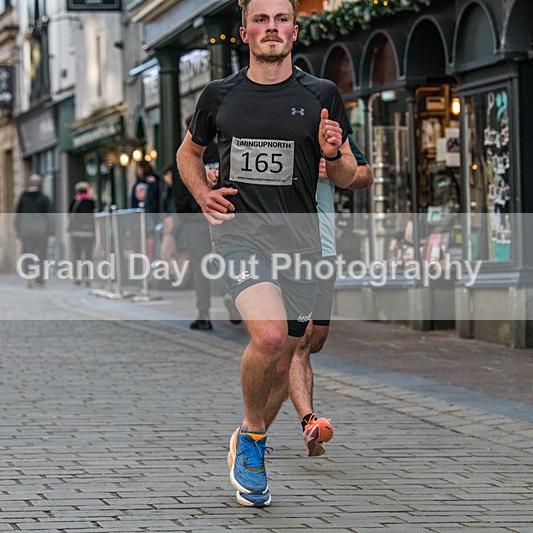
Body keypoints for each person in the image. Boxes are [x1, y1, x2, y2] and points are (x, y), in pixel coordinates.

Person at [176, 0, 357, 508]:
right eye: (261, 19)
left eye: (280, 19)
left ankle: (246, 437)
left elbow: (345, 177)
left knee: (283, 364)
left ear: (295, 31)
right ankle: (254, 445)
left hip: (300, 244)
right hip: (241, 237)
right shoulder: (220, 95)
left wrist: (333, 152)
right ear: (244, 32)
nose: (271, 28)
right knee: (271, 335)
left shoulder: (321, 94)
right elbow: (188, 153)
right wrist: (201, 193)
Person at [288, 135, 373, 457]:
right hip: (283, 249)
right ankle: (308, 421)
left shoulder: (328, 132)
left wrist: (337, 167)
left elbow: (365, 175)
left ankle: (277, 381)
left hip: (324, 249)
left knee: (315, 339)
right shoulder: (266, 125)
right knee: (299, 338)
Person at [172, 121, 220, 330]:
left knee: (201, 266)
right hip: (221, 215)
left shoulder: (185, 155)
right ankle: (233, 303)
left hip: (196, 219)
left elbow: (179, 193)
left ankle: (204, 313)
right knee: (227, 261)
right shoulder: (220, 152)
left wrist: (187, 215)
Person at [15, 174, 54, 288]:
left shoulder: (23, 198)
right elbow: (49, 216)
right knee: (41, 255)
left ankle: (29, 274)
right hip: (41, 231)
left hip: (26, 231)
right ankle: (40, 279)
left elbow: (18, 216)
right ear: (40, 184)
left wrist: (18, 230)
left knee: (27, 253)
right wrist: (51, 232)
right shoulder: (44, 198)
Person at [68, 181, 96, 286]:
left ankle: (78, 276)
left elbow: (70, 214)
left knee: (78, 255)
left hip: (77, 232)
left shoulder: (75, 201)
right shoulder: (91, 201)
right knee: (88, 255)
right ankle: (87, 277)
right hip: (89, 232)